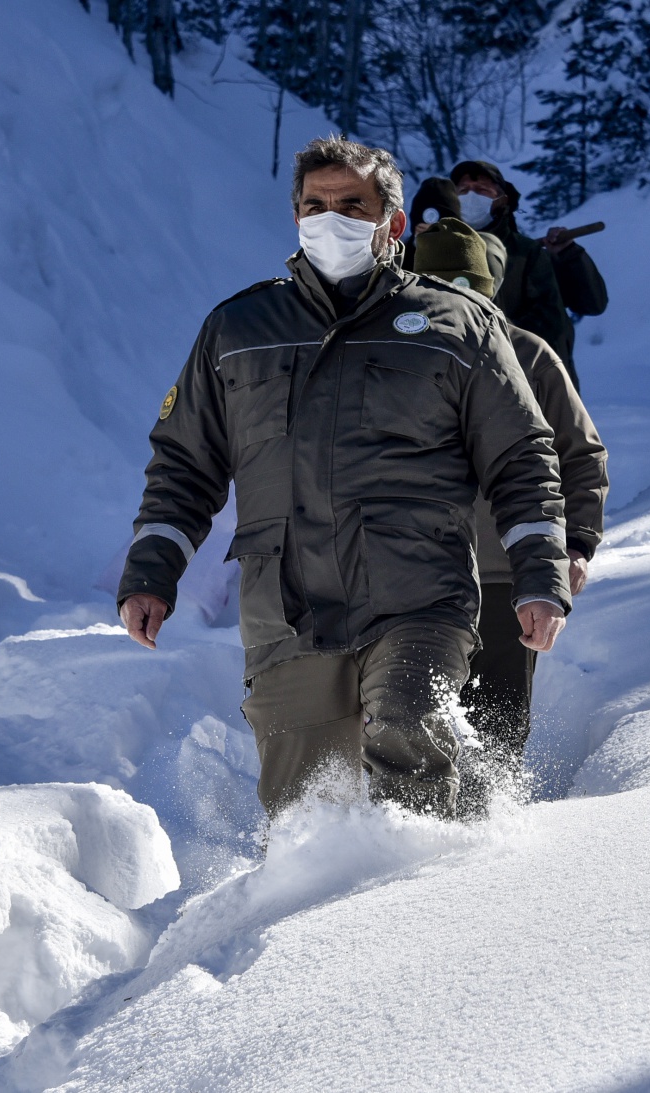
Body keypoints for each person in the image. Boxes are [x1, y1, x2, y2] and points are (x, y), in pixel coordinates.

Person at [116, 137, 572, 821]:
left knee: (409, 732)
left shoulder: (458, 325)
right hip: (287, 607)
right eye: (315, 206)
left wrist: (541, 572)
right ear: (295, 217)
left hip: (420, 594)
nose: (330, 219)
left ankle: (423, 916)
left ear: (391, 223)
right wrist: (153, 569)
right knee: (306, 811)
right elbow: (186, 459)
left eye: (351, 205)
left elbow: (523, 456)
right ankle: (314, 927)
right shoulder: (238, 330)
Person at [410, 218, 608, 813]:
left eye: (469, 281)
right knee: (412, 722)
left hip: (503, 573)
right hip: (408, 575)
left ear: (490, 285)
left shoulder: (528, 355)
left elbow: (579, 453)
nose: (459, 295)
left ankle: (490, 851)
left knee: (494, 728)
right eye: (442, 282)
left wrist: (573, 547)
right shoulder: (389, 353)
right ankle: (415, 847)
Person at [449, 160, 609, 389]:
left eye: (482, 190)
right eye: (463, 191)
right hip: (466, 397)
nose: (471, 197)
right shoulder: (435, 257)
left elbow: (591, 304)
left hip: (539, 391)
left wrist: (569, 256)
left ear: (502, 198)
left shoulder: (529, 256)